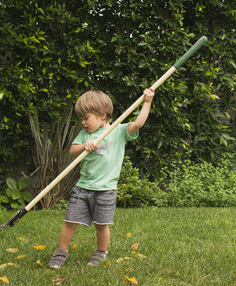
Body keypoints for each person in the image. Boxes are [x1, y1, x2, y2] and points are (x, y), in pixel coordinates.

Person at [48, 88, 155, 269]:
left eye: (86, 118)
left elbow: (137, 124)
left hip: (106, 190)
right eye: (81, 119)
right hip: (83, 187)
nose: (83, 123)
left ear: (102, 115)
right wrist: (84, 146)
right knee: (70, 221)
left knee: (101, 224)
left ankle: (101, 252)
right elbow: (72, 151)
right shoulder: (85, 134)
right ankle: (61, 252)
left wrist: (147, 102)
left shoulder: (118, 131)